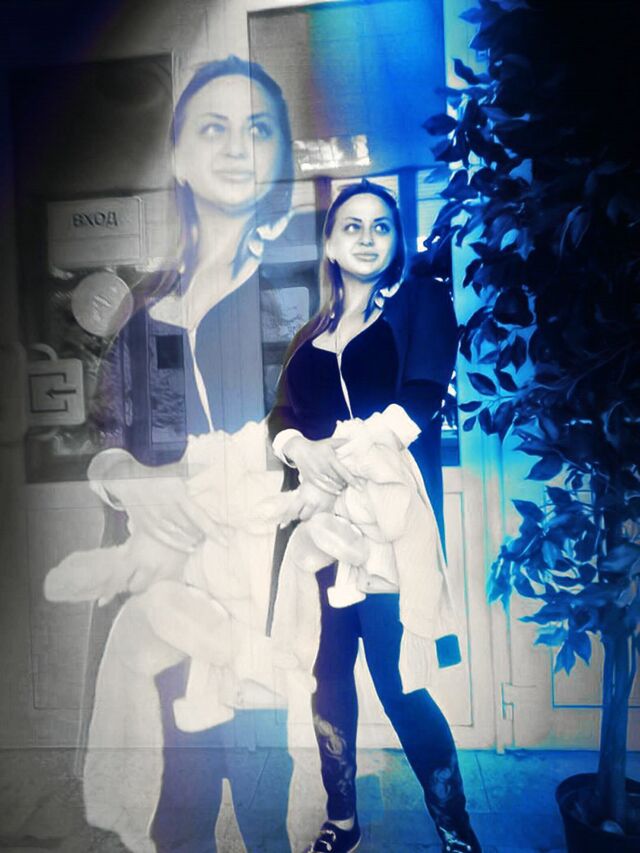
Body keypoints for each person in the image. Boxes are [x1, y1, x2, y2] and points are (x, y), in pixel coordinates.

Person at [49, 56, 296, 853]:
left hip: (254, 607)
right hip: (163, 606)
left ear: (281, 157)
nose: (236, 146)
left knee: (263, 803)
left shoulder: (299, 297)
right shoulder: (147, 311)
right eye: (212, 127)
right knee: (176, 811)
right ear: (179, 158)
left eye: (257, 128)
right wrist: (126, 478)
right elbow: (107, 437)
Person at [267, 181, 482, 853]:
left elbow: (422, 394)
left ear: (396, 241)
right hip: (320, 530)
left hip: (385, 526)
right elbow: (280, 415)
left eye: (381, 226)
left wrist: (347, 451)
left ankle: (457, 831)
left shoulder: (420, 301)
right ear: (330, 244)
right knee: (328, 674)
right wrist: (299, 447)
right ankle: (342, 821)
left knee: (398, 681)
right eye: (352, 226)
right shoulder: (311, 330)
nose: (366, 236)